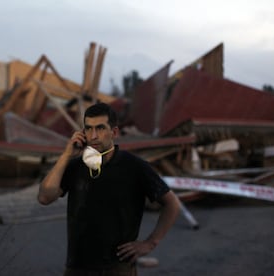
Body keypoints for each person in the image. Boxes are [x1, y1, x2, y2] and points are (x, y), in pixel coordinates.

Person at [38, 102, 180, 276]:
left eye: (100, 128)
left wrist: (150, 243)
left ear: (114, 132)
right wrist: (67, 155)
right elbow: (45, 197)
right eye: (88, 129)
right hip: (77, 267)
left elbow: (172, 203)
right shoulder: (76, 166)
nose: (94, 135)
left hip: (117, 268)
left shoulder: (134, 166)